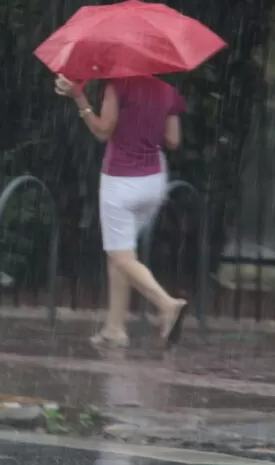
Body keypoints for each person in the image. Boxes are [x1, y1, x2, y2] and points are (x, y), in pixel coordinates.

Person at [55, 74, 188, 348]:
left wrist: (79, 98)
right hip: (153, 182)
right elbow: (173, 140)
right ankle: (115, 328)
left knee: (121, 256)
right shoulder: (167, 90)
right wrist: (147, 122)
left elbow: (102, 131)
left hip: (121, 181)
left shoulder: (117, 86)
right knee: (122, 252)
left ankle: (167, 304)